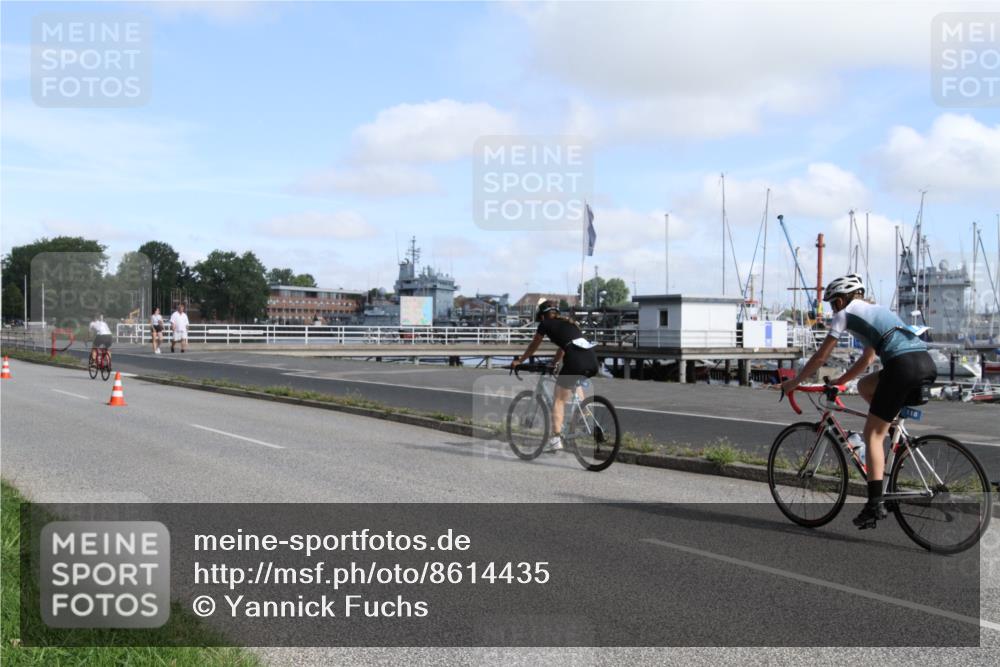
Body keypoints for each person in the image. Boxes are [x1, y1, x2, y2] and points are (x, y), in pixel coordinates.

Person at [780, 273, 936, 529]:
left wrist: (794, 382)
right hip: (925, 364)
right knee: (865, 386)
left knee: (872, 435)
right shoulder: (876, 311)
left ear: (840, 301)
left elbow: (820, 357)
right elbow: (866, 360)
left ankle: (875, 504)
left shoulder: (845, 315)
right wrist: (841, 381)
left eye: (832, 304)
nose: (832, 310)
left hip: (901, 368)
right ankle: (890, 427)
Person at [511, 301, 599, 453]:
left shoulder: (546, 324)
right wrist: (554, 362)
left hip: (576, 361)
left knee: (558, 400)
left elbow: (534, 345)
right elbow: (564, 347)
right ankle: (585, 418)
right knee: (575, 383)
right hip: (591, 360)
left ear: (542, 316)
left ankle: (555, 439)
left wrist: (520, 360)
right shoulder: (569, 323)